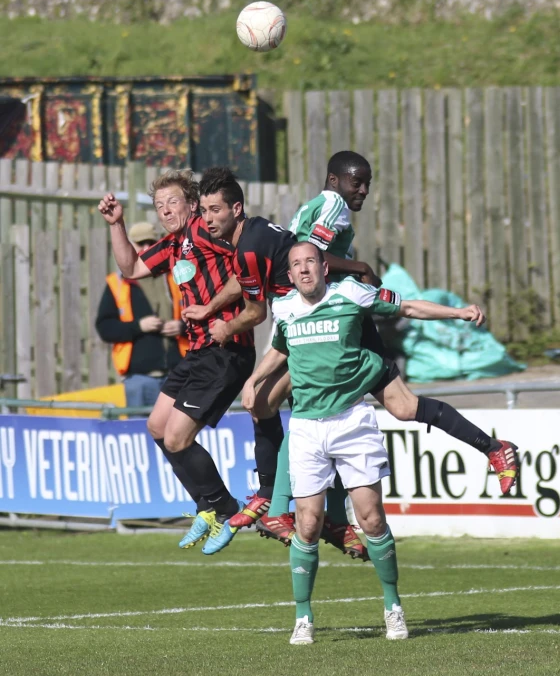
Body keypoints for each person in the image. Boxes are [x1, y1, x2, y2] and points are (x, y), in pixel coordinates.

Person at [241, 241, 508, 643]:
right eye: (296, 265)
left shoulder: (351, 294)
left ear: (323, 268)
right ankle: (303, 617)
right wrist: (254, 378)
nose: (304, 270)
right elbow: (280, 350)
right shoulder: (285, 309)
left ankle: (393, 606)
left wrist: (458, 312)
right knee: (308, 524)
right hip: (307, 428)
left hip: (352, 421)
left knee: (372, 520)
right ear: (291, 275)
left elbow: (409, 308)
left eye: (310, 262)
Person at [253, 151, 520, 548]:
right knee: (292, 406)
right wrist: (360, 267)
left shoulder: (319, 208)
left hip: (330, 320)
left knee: (287, 405)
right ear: (334, 181)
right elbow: (313, 255)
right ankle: (289, 509)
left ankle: (288, 510)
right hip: (324, 319)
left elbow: (312, 258)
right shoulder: (332, 205)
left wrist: (458, 313)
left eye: (367, 183)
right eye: (356, 182)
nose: (362, 190)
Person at [181, 167, 366, 558]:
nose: (208, 219)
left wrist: (225, 328)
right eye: (204, 212)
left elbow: (254, 312)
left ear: (236, 208)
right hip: (309, 324)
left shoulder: (246, 247)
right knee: (302, 416)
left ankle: (271, 497)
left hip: (310, 329)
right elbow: (244, 280)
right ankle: (327, 518)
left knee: (262, 403)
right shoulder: (252, 235)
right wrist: (211, 307)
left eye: (215, 210)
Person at [98, 169, 253, 555]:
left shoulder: (204, 230)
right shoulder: (173, 244)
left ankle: (226, 508)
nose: (165, 210)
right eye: (159, 204)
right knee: (155, 426)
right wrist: (116, 224)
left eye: (173, 202)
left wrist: (214, 309)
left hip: (225, 348)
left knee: (177, 437)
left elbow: (245, 271)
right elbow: (131, 270)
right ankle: (206, 506)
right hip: (197, 352)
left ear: (191, 204)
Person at [95, 221, 189, 408]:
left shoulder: (176, 276)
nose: (146, 248)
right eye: (140, 243)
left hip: (177, 374)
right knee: (138, 431)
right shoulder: (118, 283)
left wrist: (182, 327)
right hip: (139, 379)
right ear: (130, 245)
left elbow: (201, 316)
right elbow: (104, 328)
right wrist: (139, 326)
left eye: (151, 243)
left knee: (177, 434)